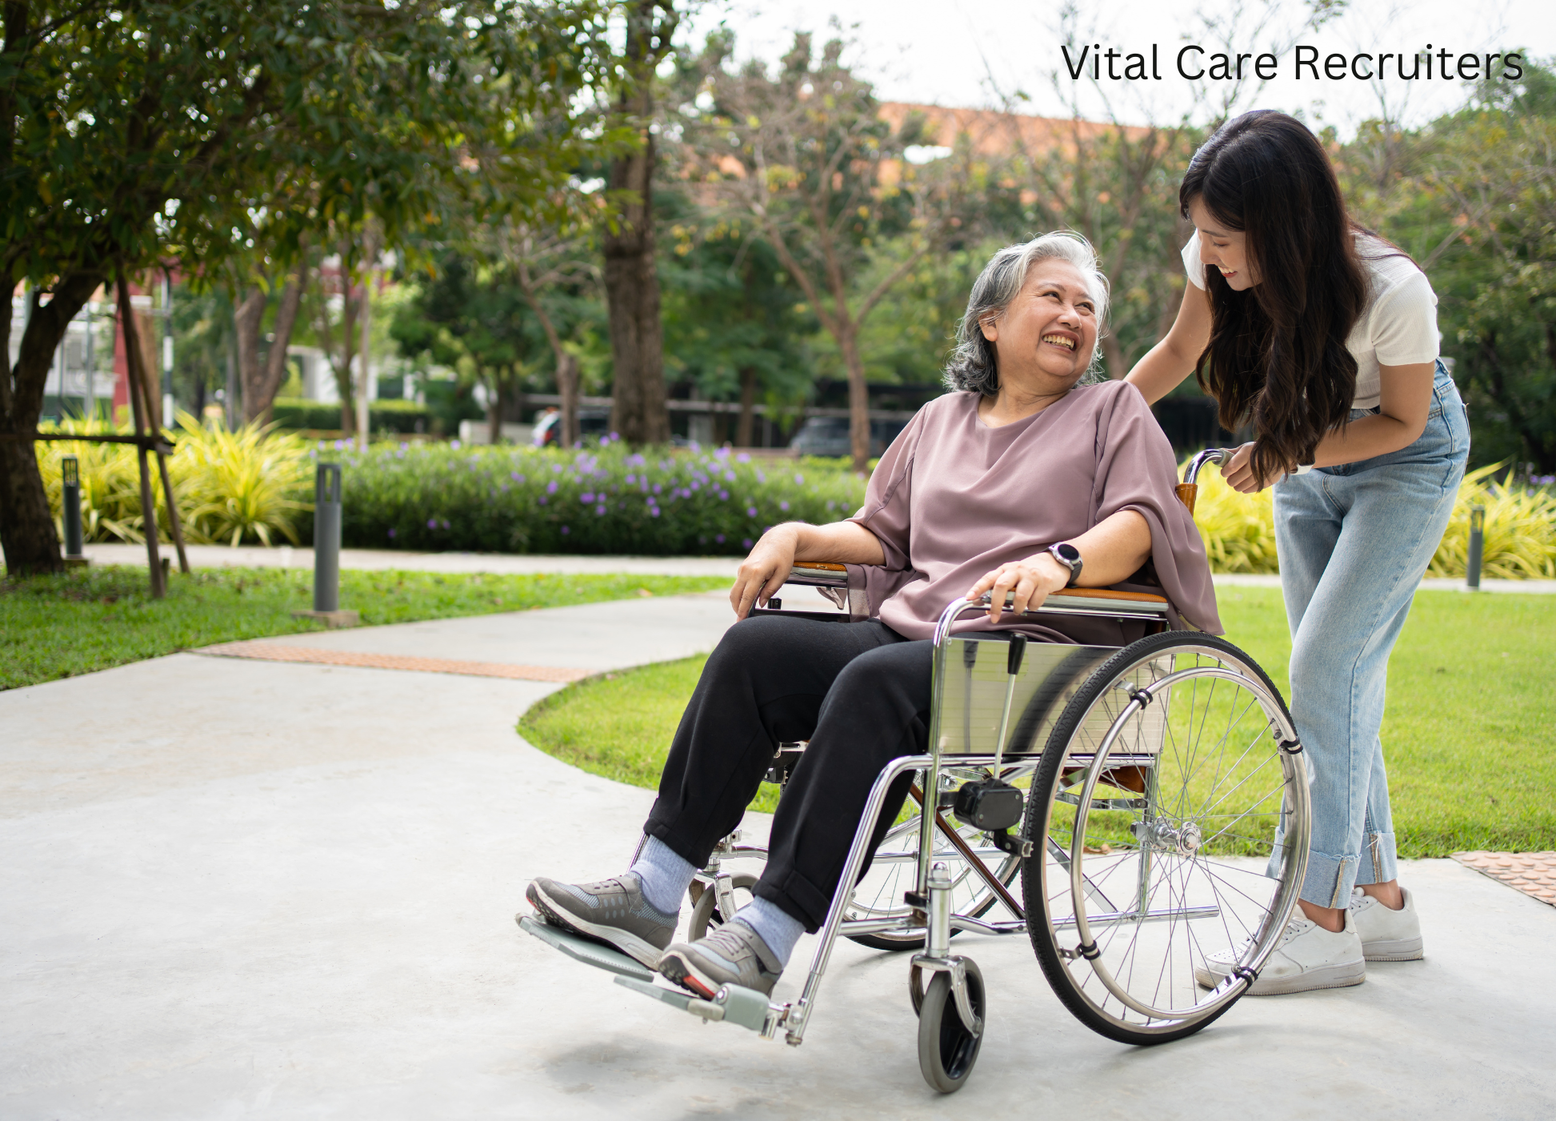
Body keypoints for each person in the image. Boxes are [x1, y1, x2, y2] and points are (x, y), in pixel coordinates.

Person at [527, 232, 1220, 999]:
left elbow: (1138, 523)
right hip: (914, 636)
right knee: (753, 652)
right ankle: (654, 891)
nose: (1073, 316)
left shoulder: (1111, 410)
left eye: (1087, 305)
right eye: (1051, 296)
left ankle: (766, 934)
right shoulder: (939, 419)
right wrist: (795, 534)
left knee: (873, 681)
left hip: (1032, 652)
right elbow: (881, 534)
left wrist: (1057, 560)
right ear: (990, 320)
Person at [1127, 110, 1468, 995]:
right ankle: (1382, 897)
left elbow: (1400, 420)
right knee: (1339, 679)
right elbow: (1180, 347)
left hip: (1405, 461)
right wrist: (1092, 419)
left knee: (1324, 667)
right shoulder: (1213, 255)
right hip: (1305, 451)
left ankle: (1318, 922)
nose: (1210, 254)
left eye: (1225, 238)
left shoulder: (1395, 290)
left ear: (1283, 226)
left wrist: (1285, 450)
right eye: (1200, 233)